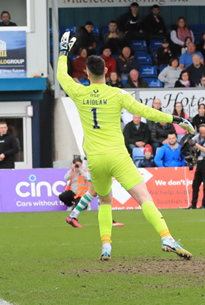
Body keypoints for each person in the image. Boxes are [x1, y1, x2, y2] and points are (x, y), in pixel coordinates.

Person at [57, 31, 194, 260]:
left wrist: (63, 52)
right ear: (107, 72)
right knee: (143, 197)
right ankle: (166, 237)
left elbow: (62, 75)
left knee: (104, 201)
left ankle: (106, 247)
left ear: (87, 74)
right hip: (118, 156)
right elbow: (145, 111)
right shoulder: (118, 94)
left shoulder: (79, 92)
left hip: (96, 159)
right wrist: (176, 119)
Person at [187, 124, 205, 209]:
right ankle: (193, 204)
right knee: (195, 184)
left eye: (204, 133)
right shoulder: (198, 137)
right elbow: (190, 142)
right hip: (199, 162)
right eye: (201, 133)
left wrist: (196, 145)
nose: (202, 135)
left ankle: (204, 204)